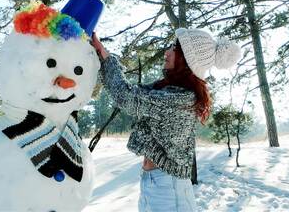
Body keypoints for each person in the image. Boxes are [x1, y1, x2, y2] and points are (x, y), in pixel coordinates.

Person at [91, 28, 241, 212]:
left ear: (186, 58)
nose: (167, 52)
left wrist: (104, 55)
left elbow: (127, 97)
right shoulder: (168, 90)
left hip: (169, 191)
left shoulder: (180, 99)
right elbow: (129, 90)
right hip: (155, 185)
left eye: (173, 48)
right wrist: (100, 54)